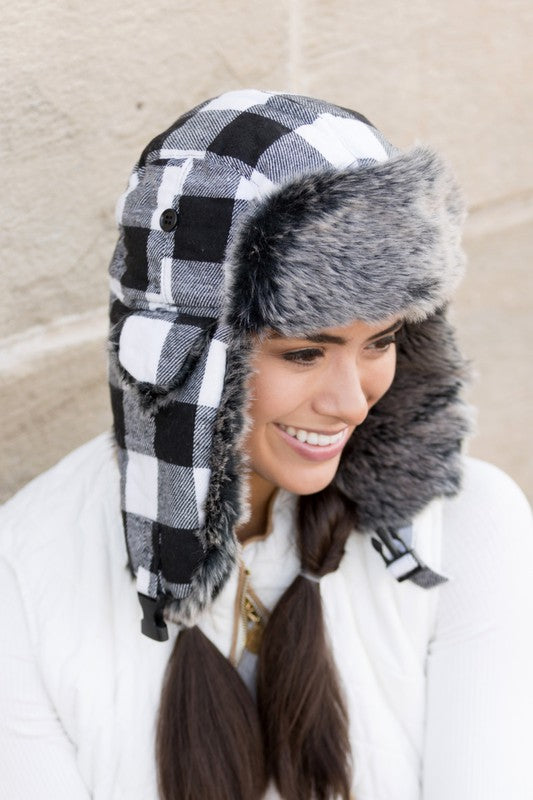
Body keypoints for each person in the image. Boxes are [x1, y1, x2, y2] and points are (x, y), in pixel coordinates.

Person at [1, 89, 532, 800]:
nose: (351, 402)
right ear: (189, 357)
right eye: (305, 353)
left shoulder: (467, 527)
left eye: (380, 342)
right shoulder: (22, 577)